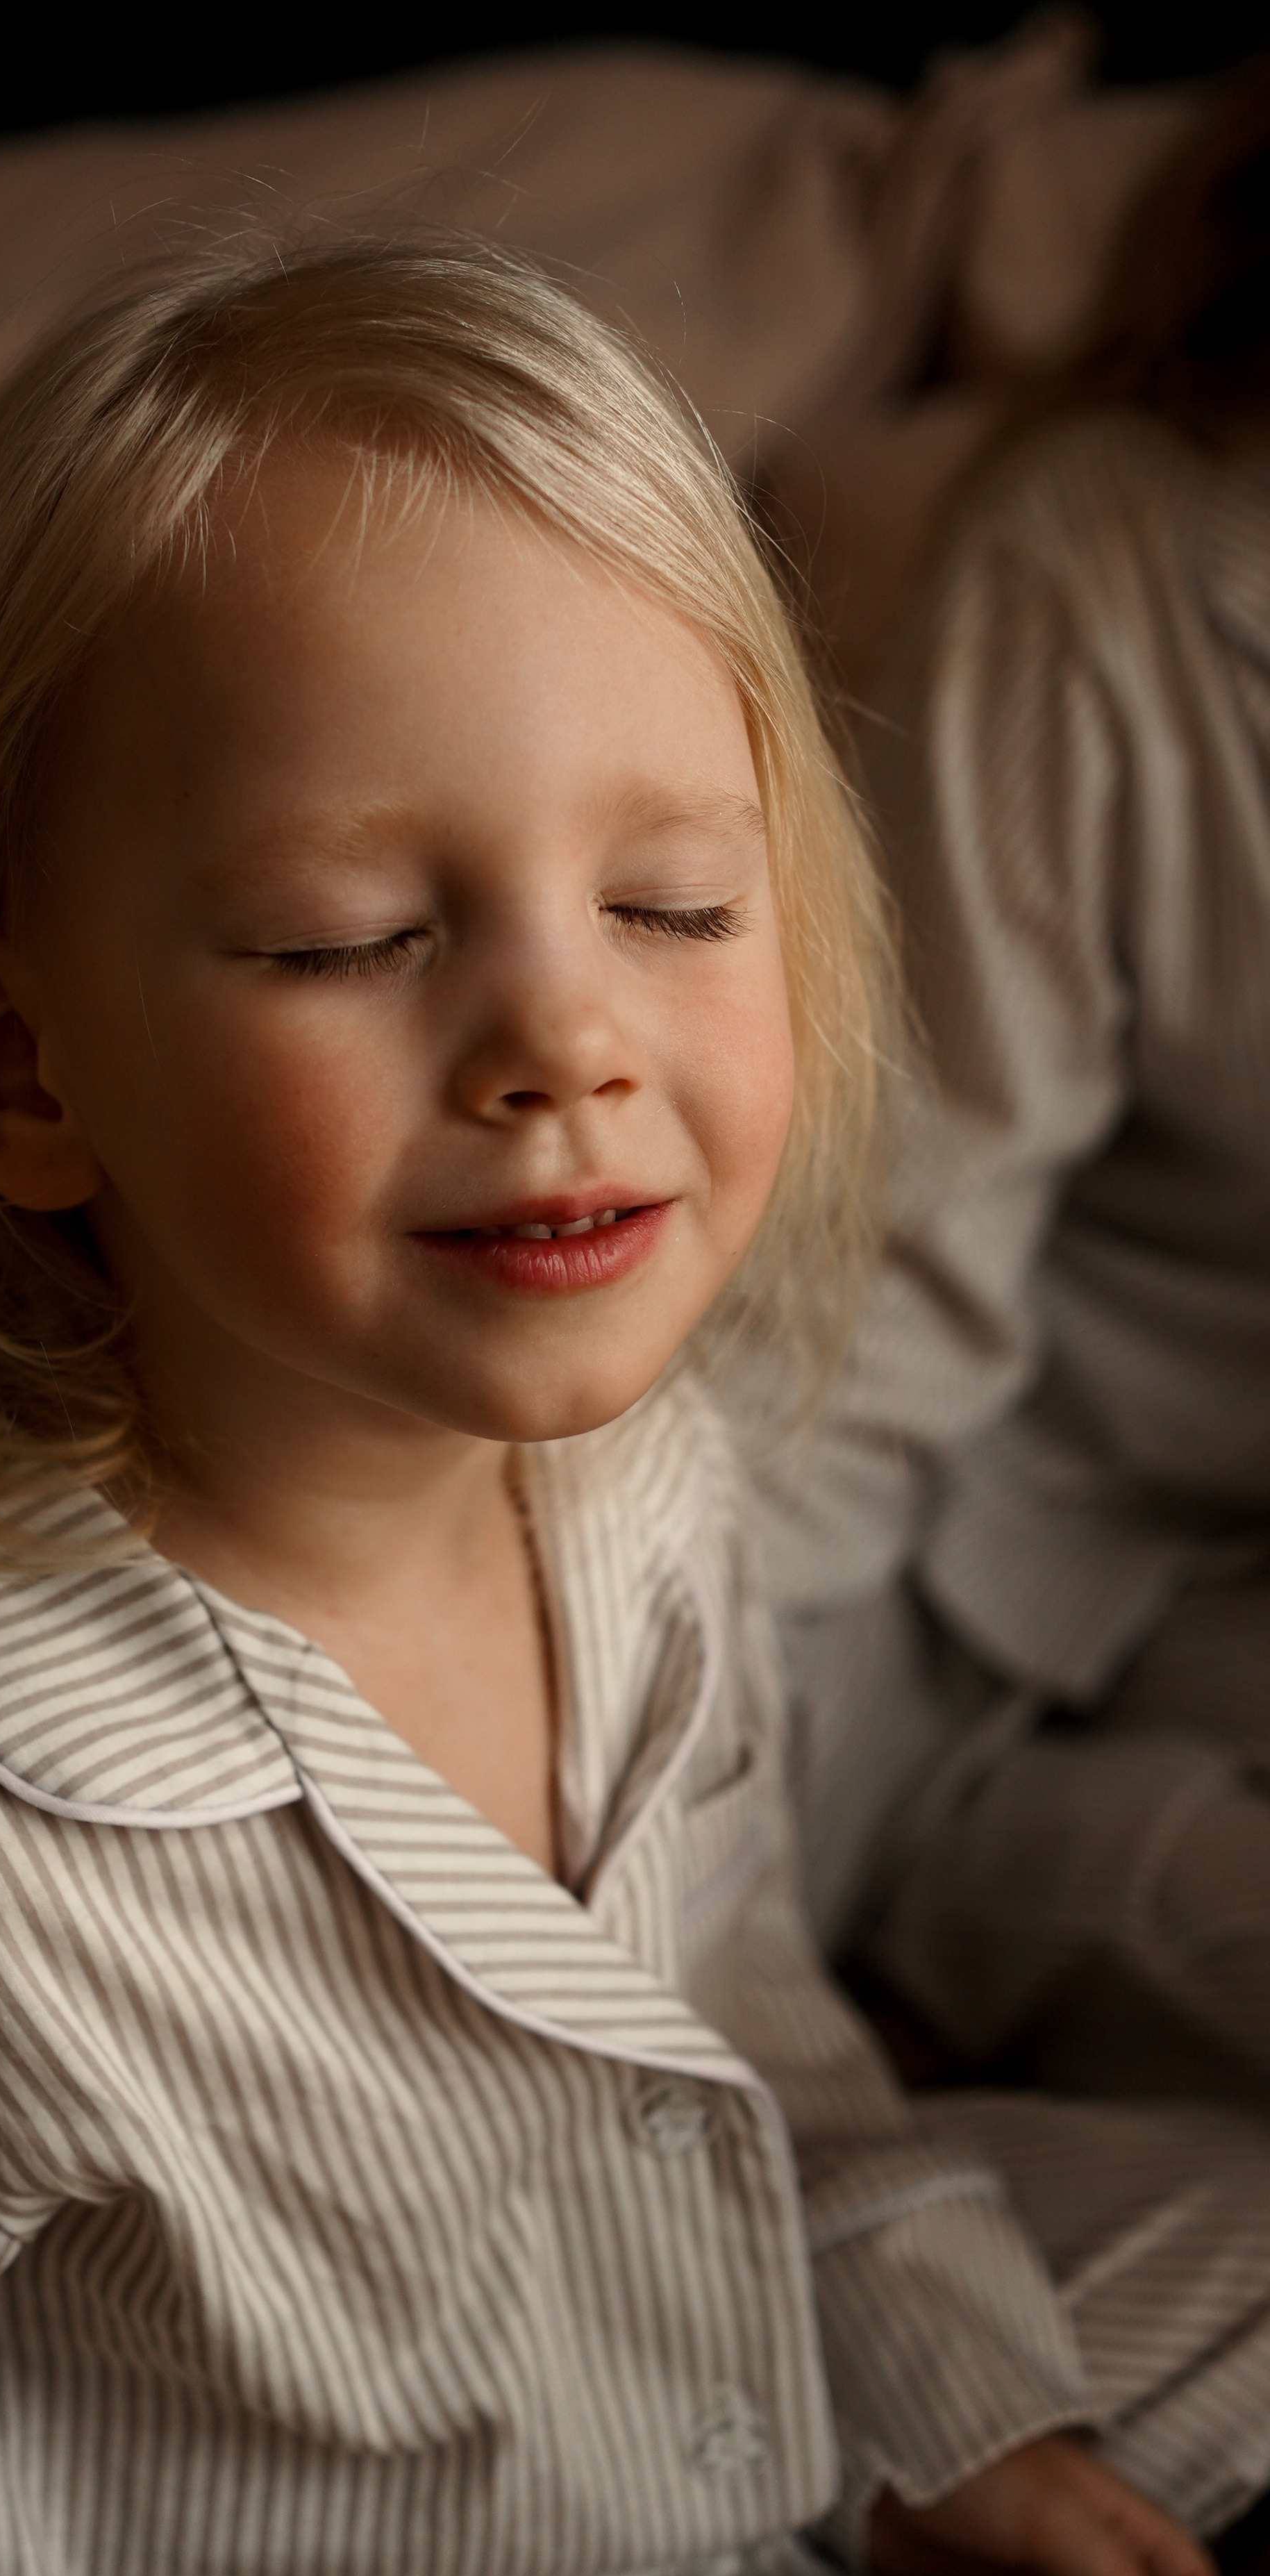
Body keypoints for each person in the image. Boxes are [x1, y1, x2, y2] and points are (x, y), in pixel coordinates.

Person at [0, 239, 1264, 2576]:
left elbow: (736, 2014)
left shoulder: (650, 1506)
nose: (565, 1036)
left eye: (671, 902)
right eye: (343, 939)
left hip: (685, 2434)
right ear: (22, 1071)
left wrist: (944, 2388)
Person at [742, 69, 1270, 2110]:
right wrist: (659, 1808)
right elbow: (864, 1299)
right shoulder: (1107, 569)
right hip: (1004, 1546)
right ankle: (922, 1885)